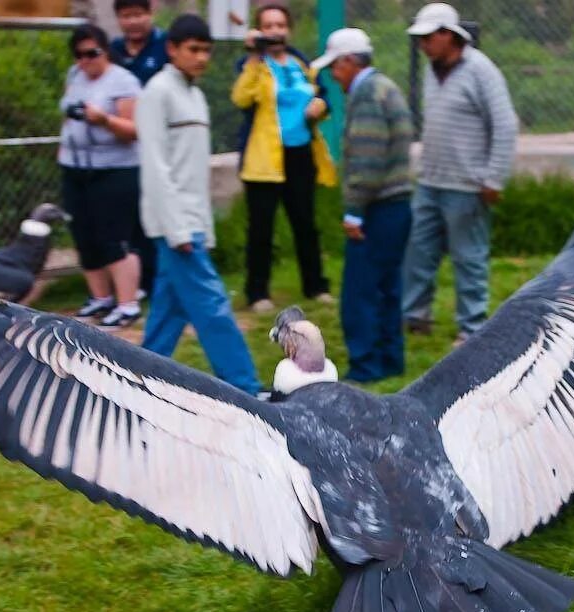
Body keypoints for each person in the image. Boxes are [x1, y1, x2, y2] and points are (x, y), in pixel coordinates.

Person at [136, 14, 261, 396]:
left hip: (191, 222)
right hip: (175, 226)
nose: (202, 58)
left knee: (167, 316)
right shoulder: (157, 92)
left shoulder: (195, 94)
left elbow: (194, 170)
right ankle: (247, 390)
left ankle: (137, 384)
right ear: (172, 49)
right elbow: (156, 167)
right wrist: (177, 229)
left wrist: (202, 227)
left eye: (206, 50)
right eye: (193, 50)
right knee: (213, 308)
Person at [401, 3, 518, 347]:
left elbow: (505, 125)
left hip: (467, 185)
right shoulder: (431, 70)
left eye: (427, 38)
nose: (422, 45)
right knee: (419, 252)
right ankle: (415, 316)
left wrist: (493, 178)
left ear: (447, 35)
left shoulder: (481, 70)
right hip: (430, 180)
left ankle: (472, 327)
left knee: (469, 258)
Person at [313, 28, 414, 383]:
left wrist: (354, 209)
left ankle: (366, 366)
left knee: (360, 292)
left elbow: (369, 157)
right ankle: (390, 361)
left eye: (335, 68)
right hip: (397, 204)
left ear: (349, 61)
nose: (333, 76)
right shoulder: (385, 86)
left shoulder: (367, 93)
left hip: (376, 207)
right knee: (387, 288)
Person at [231, 3, 337, 313]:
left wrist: (321, 105)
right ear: (259, 30)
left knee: (305, 223)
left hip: (301, 152)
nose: (276, 31)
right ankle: (257, 292)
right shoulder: (252, 64)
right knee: (261, 227)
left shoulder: (300, 61)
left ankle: (316, 285)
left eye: (280, 25)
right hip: (265, 159)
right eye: (268, 26)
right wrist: (253, 56)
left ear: (288, 29)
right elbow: (241, 98)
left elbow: (321, 93)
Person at [58, 23, 144, 329]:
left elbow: (135, 130)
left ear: (105, 50)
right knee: (85, 235)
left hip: (115, 170)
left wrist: (103, 119)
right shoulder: (75, 75)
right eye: (79, 55)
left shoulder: (124, 82)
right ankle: (100, 298)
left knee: (114, 238)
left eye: (91, 53)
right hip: (76, 167)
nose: (85, 61)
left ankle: (127, 303)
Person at [109, 0, 168, 297]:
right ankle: (136, 284)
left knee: (155, 214)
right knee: (130, 216)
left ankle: (157, 281)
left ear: (150, 14)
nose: (133, 21)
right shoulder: (112, 50)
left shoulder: (166, 46)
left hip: (160, 144)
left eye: (138, 14)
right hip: (124, 148)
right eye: (126, 16)